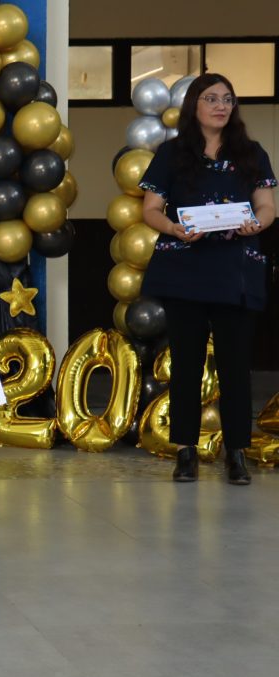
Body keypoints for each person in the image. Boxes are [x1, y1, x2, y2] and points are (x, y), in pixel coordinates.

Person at [139, 73, 276, 485]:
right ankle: (186, 451)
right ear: (194, 106)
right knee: (186, 365)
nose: (221, 106)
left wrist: (257, 224)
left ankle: (237, 453)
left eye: (228, 99)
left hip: (236, 270)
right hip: (185, 269)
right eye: (212, 98)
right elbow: (151, 209)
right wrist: (174, 228)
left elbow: (266, 205)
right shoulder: (172, 153)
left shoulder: (251, 153)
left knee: (236, 365)